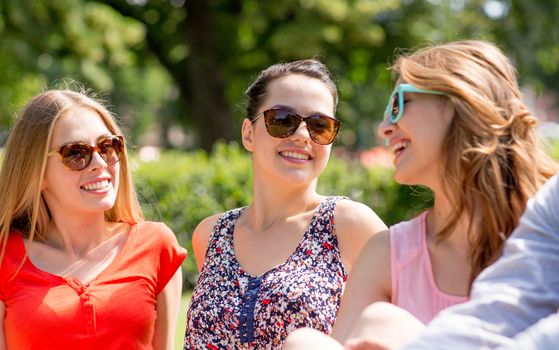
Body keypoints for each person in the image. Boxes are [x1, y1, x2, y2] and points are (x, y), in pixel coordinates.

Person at [283, 40, 558, 349]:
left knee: (382, 323)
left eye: (399, 105)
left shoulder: (550, 221)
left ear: (461, 99)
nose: (385, 127)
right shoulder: (389, 253)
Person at [183, 59, 387, 349]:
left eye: (320, 125)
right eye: (282, 120)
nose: (303, 135)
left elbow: (411, 319)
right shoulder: (210, 234)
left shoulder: (349, 224)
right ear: (248, 133)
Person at [0, 88, 187, 350]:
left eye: (108, 146)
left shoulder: (156, 246)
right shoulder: (5, 258)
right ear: (37, 173)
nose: (99, 162)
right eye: (75, 153)